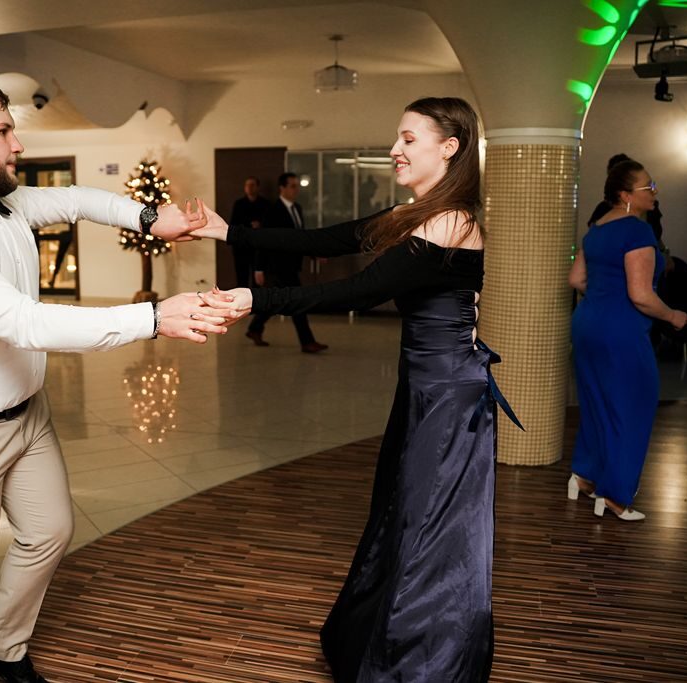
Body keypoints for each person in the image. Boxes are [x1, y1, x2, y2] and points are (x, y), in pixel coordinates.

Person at [0, 76, 234, 683]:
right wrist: (154, 317)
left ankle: (2, 647)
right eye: (3, 131)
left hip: (26, 413)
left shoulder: (3, 198)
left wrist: (152, 219)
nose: (18, 144)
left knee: (49, 530)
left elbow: (78, 199)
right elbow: (24, 323)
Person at [195, 97, 520, 682]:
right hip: (424, 390)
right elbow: (327, 240)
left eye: (408, 139)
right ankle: (376, 646)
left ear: (449, 148)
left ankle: (418, 666)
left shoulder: (452, 222)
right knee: (398, 514)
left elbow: (358, 292)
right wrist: (230, 232)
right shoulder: (419, 213)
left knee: (427, 529)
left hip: (449, 399)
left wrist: (254, 299)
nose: (395, 149)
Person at [568, 160, 687, 521]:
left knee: (596, 402)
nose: (654, 191)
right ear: (625, 195)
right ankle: (615, 497)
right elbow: (641, 296)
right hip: (620, 331)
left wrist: (604, 296)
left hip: (587, 324)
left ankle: (584, 476)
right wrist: (673, 316)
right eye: (647, 186)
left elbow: (576, 280)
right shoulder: (637, 231)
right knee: (633, 406)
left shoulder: (596, 230)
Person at [244, 172, 328, 353]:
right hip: (278, 266)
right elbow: (263, 240)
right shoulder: (273, 211)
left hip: (291, 265)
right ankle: (307, 341)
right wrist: (258, 268)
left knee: (277, 301)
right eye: (292, 186)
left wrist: (314, 254)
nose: (296, 190)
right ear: (282, 188)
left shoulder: (297, 208)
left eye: (297, 186)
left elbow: (301, 239)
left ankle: (254, 328)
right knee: (297, 300)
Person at [229, 176, 269, 288]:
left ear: (258, 187)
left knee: (258, 281)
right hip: (242, 247)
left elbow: (270, 224)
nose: (249, 187)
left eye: (252, 185)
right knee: (242, 279)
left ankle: (256, 299)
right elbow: (233, 224)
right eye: (247, 185)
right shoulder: (239, 204)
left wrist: (260, 225)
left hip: (258, 247)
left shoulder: (265, 204)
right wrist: (248, 225)